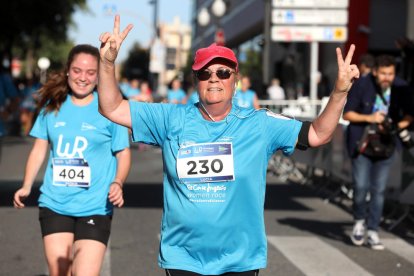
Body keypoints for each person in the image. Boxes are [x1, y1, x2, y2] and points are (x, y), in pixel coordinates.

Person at [98, 15, 359, 276]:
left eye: (223, 73)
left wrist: (339, 93)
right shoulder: (171, 118)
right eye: (205, 73)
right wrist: (107, 63)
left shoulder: (259, 123)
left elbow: (317, 133)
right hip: (183, 258)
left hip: (239, 259)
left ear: (235, 79)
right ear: (195, 80)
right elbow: (112, 107)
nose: (214, 79)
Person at [13, 44, 131, 276]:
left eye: (90, 72)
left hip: (95, 206)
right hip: (55, 203)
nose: (83, 78)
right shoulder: (52, 107)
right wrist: (26, 185)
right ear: (68, 71)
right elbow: (39, 149)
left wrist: (118, 181)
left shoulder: (109, 110)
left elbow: (123, 152)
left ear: (98, 75)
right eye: (77, 70)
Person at [343, 55, 414, 250]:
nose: (387, 77)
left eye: (390, 73)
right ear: (375, 72)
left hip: (387, 146)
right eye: (383, 73)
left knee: (379, 191)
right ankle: (359, 222)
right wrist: (371, 118)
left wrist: (395, 126)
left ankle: (373, 230)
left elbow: (410, 115)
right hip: (362, 145)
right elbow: (347, 113)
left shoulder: (402, 87)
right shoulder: (362, 85)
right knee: (360, 187)